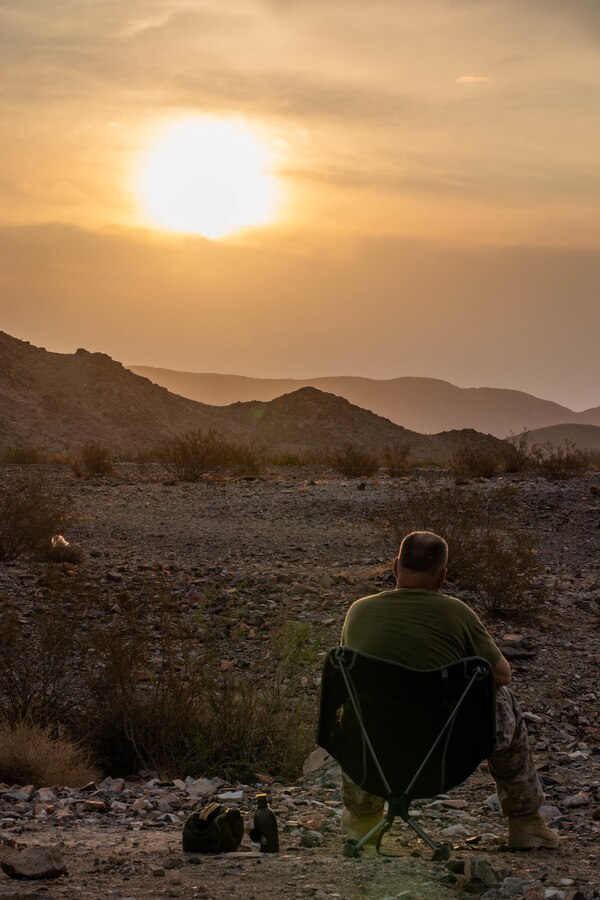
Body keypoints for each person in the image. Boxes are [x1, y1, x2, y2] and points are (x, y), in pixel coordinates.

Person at [339, 530, 559, 850]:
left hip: (377, 753)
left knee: (356, 702)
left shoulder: (359, 611)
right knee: (502, 699)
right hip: (443, 755)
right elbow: (502, 675)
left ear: (395, 566)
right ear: (442, 577)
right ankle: (525, 821)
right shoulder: (456, 613)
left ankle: (362, 818)